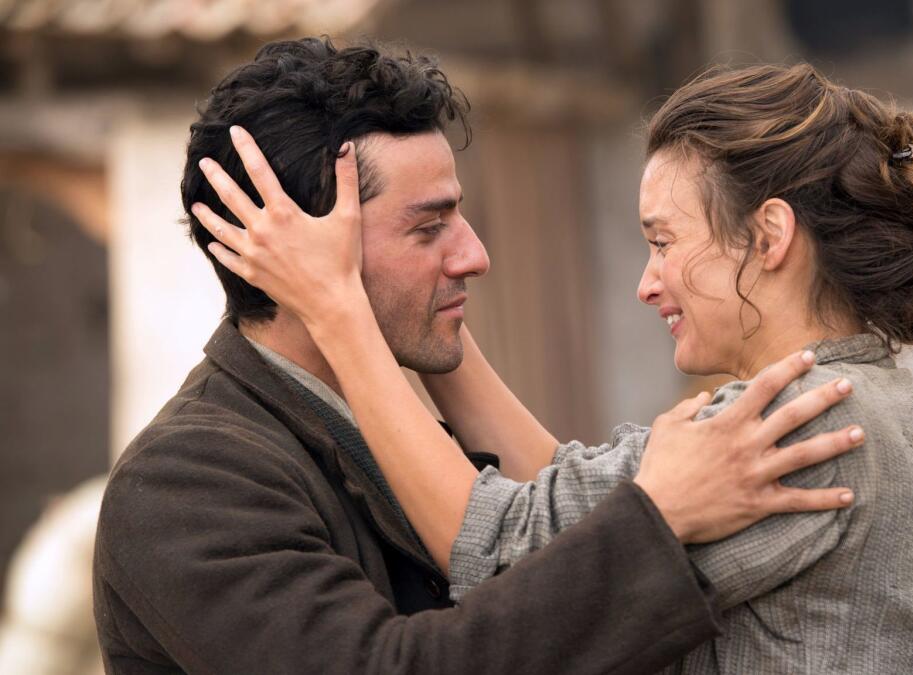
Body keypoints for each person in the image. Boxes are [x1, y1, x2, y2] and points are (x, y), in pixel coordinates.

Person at [92, 38, 863, 675]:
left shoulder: (395, 429)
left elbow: (538, 525)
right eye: (429, 229)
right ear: (305, 250)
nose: (476, 256)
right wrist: (659, 516)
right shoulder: (188, 481)